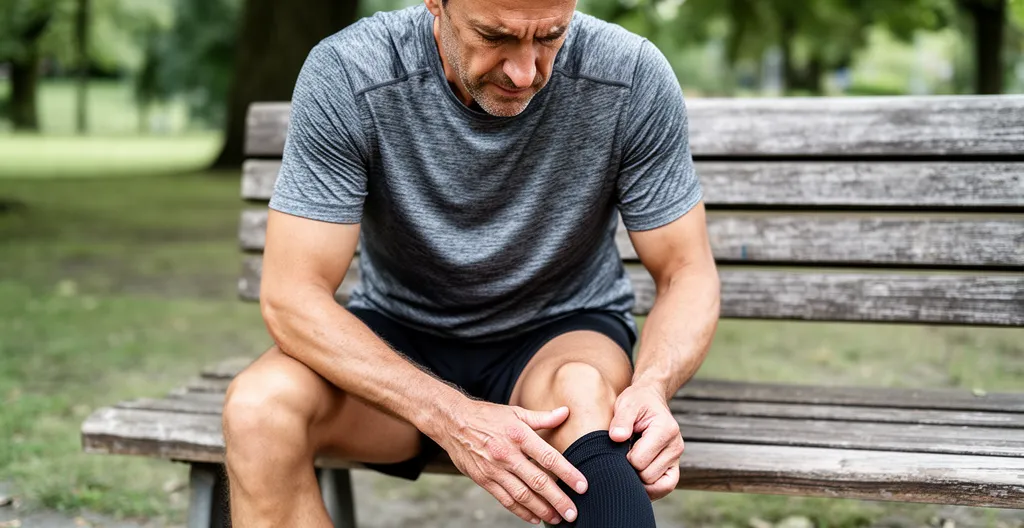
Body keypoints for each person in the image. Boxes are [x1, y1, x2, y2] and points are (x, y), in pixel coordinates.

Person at [221, 0, 720, 525]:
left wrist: (652, 387)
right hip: (401, 336)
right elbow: (291, 296)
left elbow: (685, 270)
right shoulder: (351, 72)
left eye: (551, 36)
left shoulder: (630, 75)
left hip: (559, 331)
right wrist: (451, 416)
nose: (525, 71)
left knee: (585, 395)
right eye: (494, 35)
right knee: (259, 410)